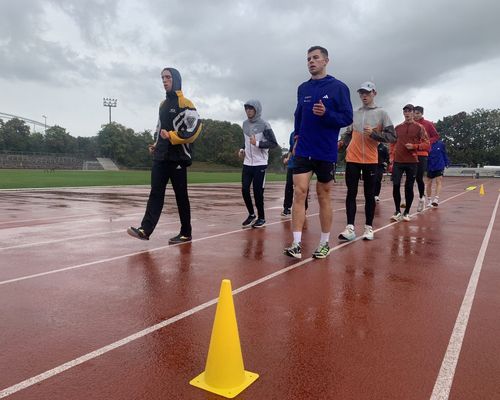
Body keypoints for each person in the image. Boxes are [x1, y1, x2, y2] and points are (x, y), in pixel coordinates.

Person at [283, 45, 353, 259]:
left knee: (323, 195)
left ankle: (324, 243)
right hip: (304, 149)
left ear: (325, 61)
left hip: (325, 151)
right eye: (308, 59)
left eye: (315, 58)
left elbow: (347, 118)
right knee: (299, 192)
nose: (311, 62)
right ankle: (296, 243)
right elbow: (298, 115)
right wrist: (296, 138)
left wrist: (327, 113)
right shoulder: (302, 88)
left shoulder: (339, 87)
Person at [127, 67, 202, 243]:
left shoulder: (186, 104)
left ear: (176, 79)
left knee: (181, 196)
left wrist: (172, 137)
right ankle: (145, 230)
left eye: (167, 77)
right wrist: (156, 144)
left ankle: (186, 232)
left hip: (178, 158)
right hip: (161, 156)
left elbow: (194, 129)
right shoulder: (162, 104)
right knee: (156, 193)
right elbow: (159, 127)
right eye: (162, 78)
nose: (164, 80)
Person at [337, 81, 396, 241]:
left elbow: (392, 137)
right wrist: (342, 142)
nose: (364, 96)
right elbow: (347, 133)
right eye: (361, 93)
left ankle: (369, 228)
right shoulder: (354, 113)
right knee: (351, 193)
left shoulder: (382, 113)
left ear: (374, 93)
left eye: (367, 93)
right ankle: (350, 228)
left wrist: (374, 135)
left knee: (369, 195)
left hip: (370, 159)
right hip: (353, 158)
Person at [239, 100, 278, 228]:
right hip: (247, 163)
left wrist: (257, 144)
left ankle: (262, 218)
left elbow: (273, 143)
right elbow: (245, 141)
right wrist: (242, 149)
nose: (248, 111)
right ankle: (251, 214)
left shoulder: (265, 124)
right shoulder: (244, 124)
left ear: (257, 110)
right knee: (244, 189)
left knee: (257, 192)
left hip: (260, 163)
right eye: (247, 109)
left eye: (251, 108)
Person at [390, 104, 428, 222]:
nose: (407, 113)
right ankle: (397, 211)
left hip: (412, 161)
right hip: (398, 161)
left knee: (409, 186)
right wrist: (391, 155)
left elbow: (427, 144)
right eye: (405, 111)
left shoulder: (419, 127)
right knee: (396, 185)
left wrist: (415, 146)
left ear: (413, 113)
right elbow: (392, 142)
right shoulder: (397, 128)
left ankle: (406, 212)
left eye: (409, 111)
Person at [413, 106, 437, 212]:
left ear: (422, 114)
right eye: (414, 113)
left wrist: (426, 143)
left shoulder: (427, 124)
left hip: (422, 153)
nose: (416, 115)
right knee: (409, 178)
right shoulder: (410, 124)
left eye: (418, 113)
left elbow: (436, 136)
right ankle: (406, 200)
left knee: (419, 177)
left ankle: (421, 198)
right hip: (411, 153)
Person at [282, 131, 308, 216]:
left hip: (302, 164)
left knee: (302, 187)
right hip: (292, 164)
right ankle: (287, 207)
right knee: (289, 185)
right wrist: (287, 158)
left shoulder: (307, 131)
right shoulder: (292, 134)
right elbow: (291, 148)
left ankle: (304, 207)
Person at [426, 135, 449, 207]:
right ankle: (429, 200)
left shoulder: (441, 144)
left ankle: (436, 199)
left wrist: (446, 162)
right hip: (430, 166)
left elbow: (444, 153)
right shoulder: (427, 144)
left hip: (439, 165)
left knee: (438, 181)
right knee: (429, 182)